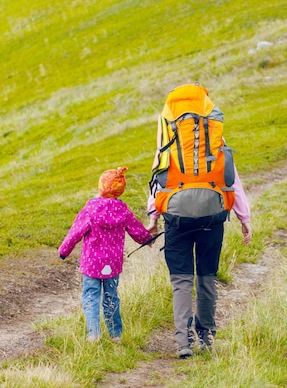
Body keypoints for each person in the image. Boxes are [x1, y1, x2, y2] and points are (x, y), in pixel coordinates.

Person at [147, 85, 252, 358]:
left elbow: (157, 184)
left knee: (181, 281)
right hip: (212, 217)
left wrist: (153, 218)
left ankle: (183, 342)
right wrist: (244, 218)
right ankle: (206, 335)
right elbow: (233, 182)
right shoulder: (215, 139)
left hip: (176, 219)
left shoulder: (169, 141)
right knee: (207, 277)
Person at [59, 166, 154, 342]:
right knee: (111, 296)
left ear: (101, 187)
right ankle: (115, 334)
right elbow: (137, 230)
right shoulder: (123, 210)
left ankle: (93, 333)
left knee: (90, 296)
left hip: (91, 263)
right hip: (113, 263)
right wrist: (147, 240)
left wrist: (64, 251)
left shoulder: (90, 209)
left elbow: (75, 232)